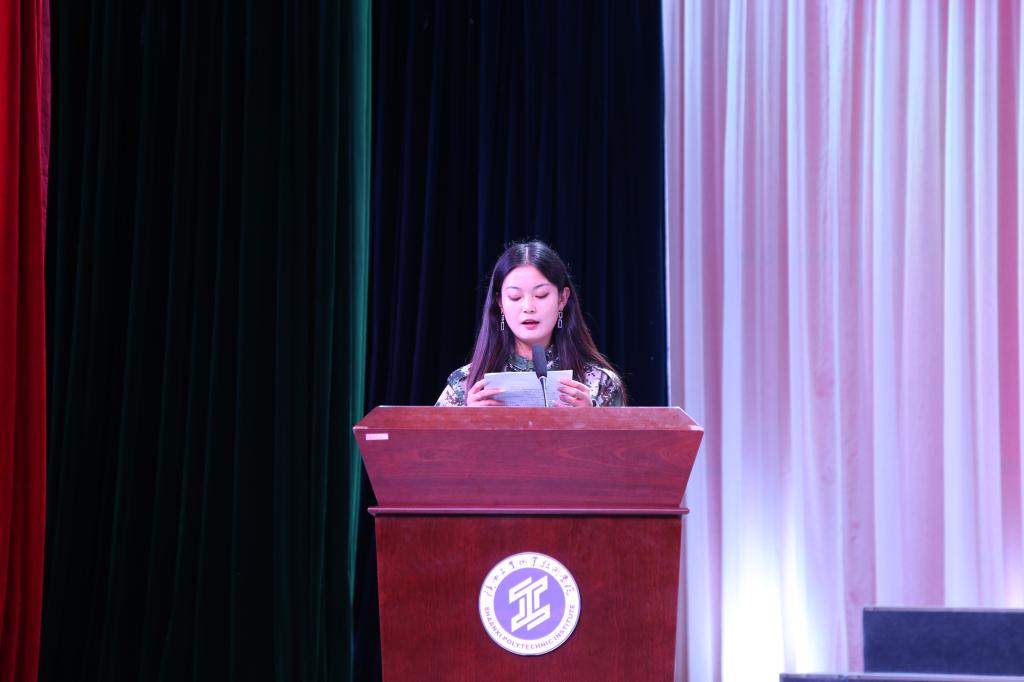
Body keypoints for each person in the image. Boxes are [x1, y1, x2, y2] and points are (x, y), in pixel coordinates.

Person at [435, 240, 625, 407]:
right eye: (515, 297)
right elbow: (430, 436)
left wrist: (591, 421)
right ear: (500, 303)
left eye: (541, 295)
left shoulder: (599, 383)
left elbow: (622, 438)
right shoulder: (467, 384)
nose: (528, 307)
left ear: (562, 299)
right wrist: (468, 421)